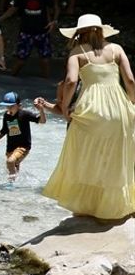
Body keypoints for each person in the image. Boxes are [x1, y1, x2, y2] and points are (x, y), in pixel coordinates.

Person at [39, 15, 135, 219]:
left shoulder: (77, 53)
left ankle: (87, 207)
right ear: (101, 30)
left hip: (91, 108)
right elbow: (130, 80)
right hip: (118, 107)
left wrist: (64, 107)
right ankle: (110, 208)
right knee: (114, 157)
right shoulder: (117, 49)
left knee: (85, 156)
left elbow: (71, 81)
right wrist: (131, 103)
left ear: (79, 33)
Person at [0, 0, 57, 78]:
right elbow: (12, 10)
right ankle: (12, 76)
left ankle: (46, 79)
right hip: (26, 32)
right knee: (21, 59)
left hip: (42, 31)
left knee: (45, 59)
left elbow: (53, 8)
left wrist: (54, 21)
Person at [0, 92, 46, 182]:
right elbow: (4, 129)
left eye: (11, 106)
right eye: (7, 106)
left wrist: (41, 110)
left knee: (10, 162)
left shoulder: (24, 114)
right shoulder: (7, 115)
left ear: (19, 105)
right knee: (13, 166)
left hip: (23, 146)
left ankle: (11, 183)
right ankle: (16, 187)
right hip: (10, 147)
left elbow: (42, 121)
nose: (8, 108)